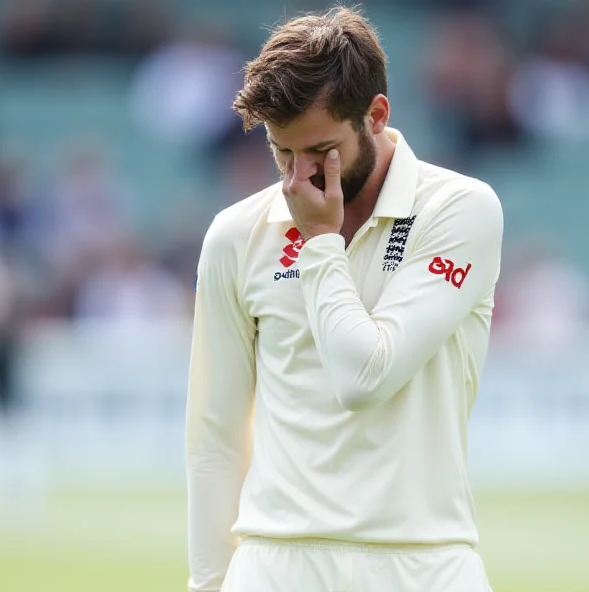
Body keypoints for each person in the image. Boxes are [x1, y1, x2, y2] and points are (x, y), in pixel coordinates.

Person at [186, 6, 504, 592]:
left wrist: (320, 245)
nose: (299, 176)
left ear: (376, 114)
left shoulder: (461, 210)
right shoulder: (236, 234)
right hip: (276, 564)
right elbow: (216, 437)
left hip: (426, 563)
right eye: (283, 153)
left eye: (322, 151)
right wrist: (209, 584)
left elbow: (364, 376)